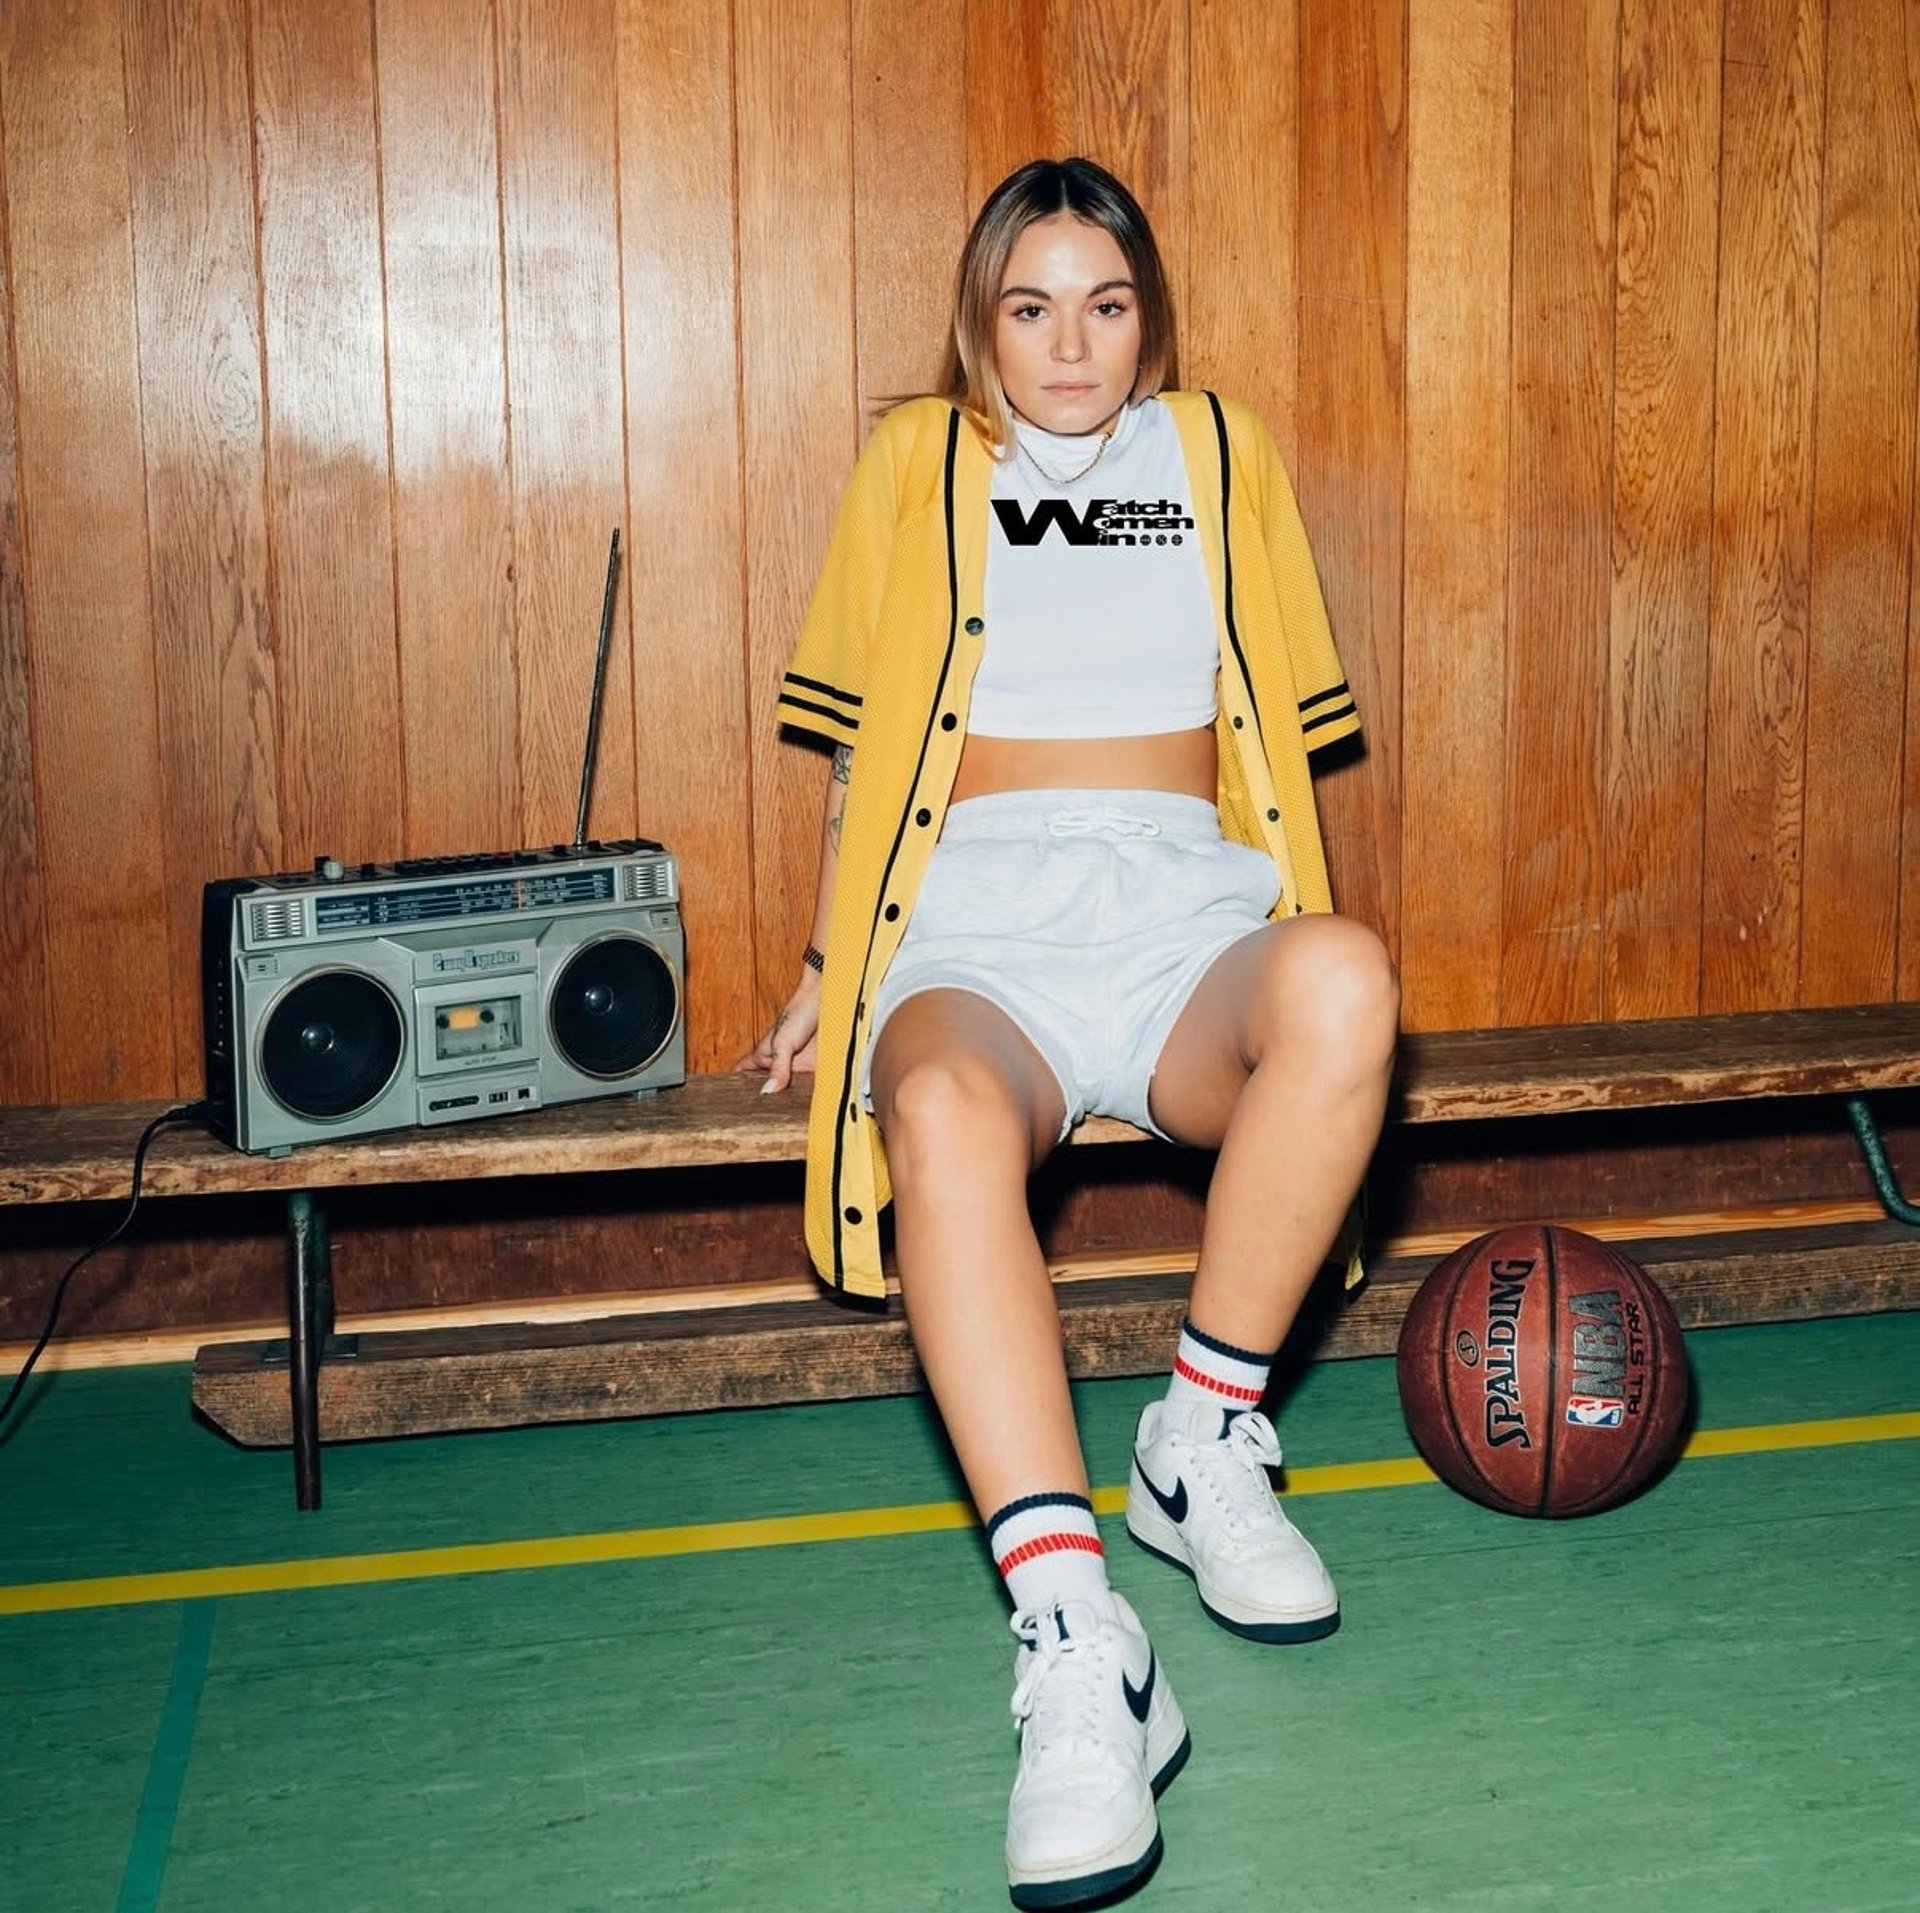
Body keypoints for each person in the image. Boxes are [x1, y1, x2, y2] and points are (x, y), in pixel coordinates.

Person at [743, 157, 1398, 1909]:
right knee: (941, 1109)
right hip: (975, 926)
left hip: (1184, 915)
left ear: (1147, 317)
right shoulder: (914, 461)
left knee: (1346, 976)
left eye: (1105, 305)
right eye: (1030, 307)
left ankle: (1202, 1434)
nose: (1070, 344)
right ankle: (1076, 1628)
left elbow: (1282, 728)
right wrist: (828, 959)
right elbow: (857, 747)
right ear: (983, 320)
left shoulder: (1223, 452)